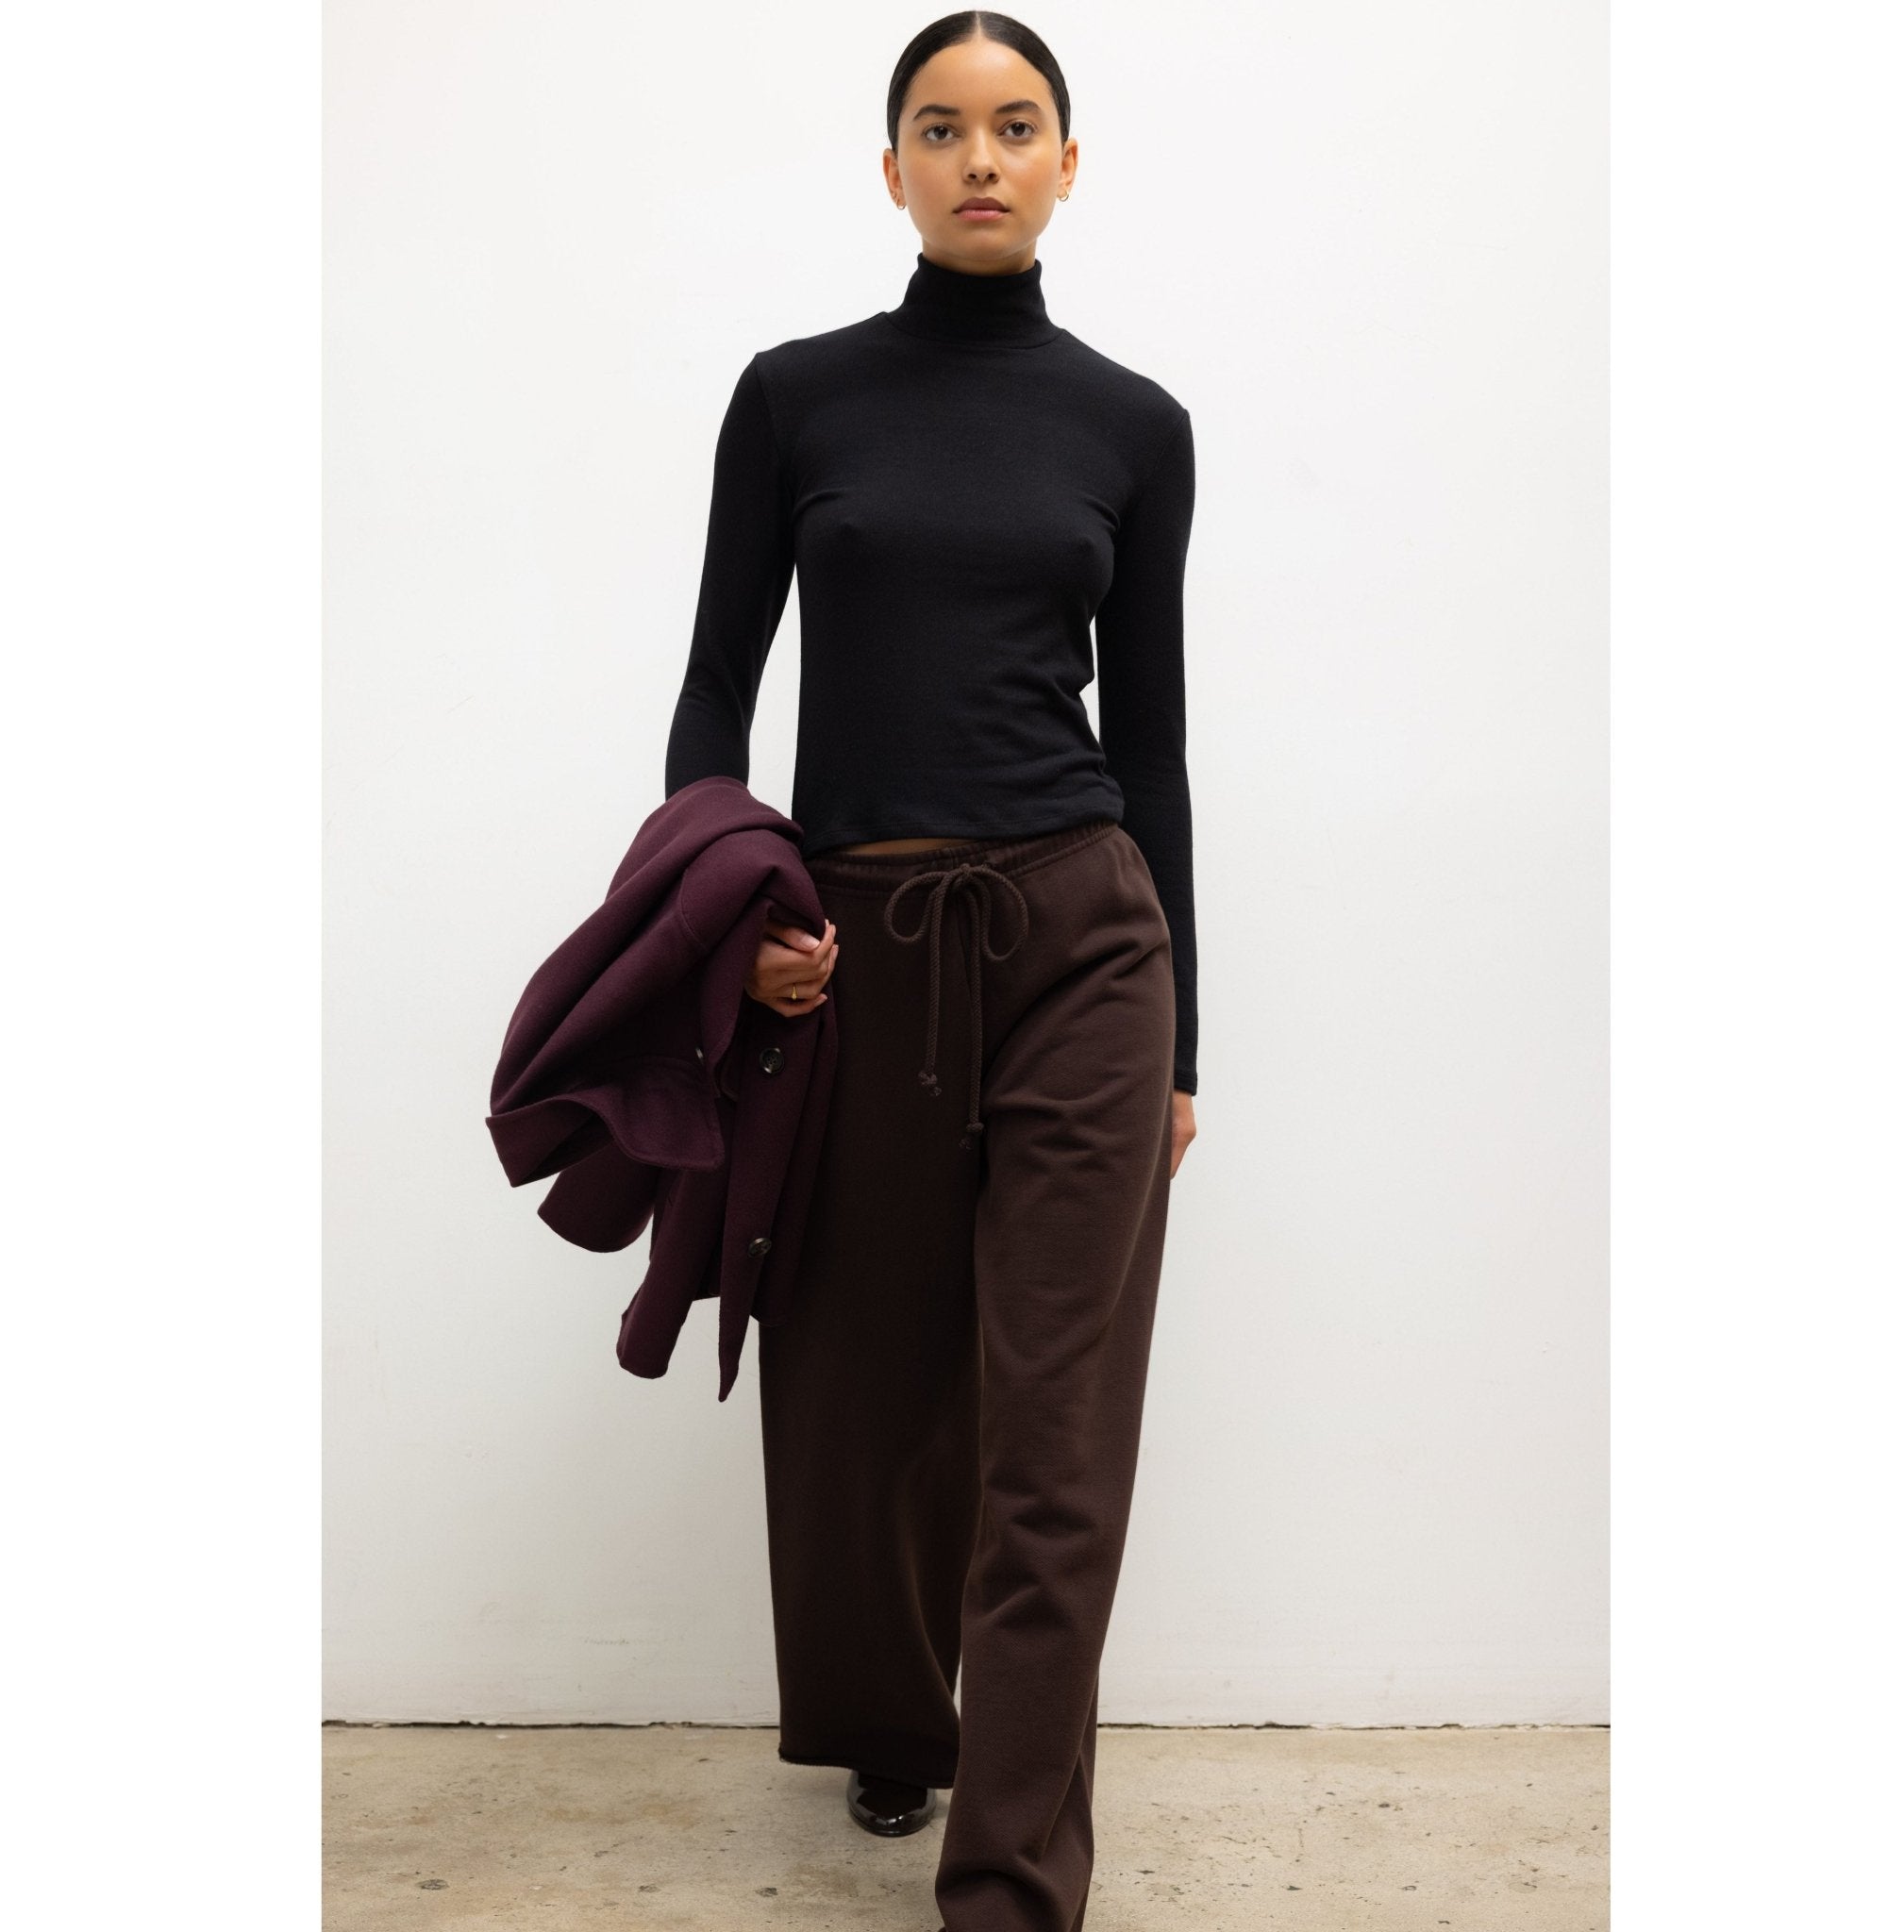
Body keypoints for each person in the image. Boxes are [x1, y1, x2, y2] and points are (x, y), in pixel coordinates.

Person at [662, 14, 1199, 1930]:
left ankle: (1012, 1891)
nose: (982, 157)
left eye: (1017, 125)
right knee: (868, 1388)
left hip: (1084, 940)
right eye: (943, 128)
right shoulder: (795, 399)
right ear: (890, 167)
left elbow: (1152, 748)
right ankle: (894, 1718)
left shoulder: (1134, 426)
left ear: (1067, 163)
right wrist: (739, 929)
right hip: (856, 952)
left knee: (1055, 1431)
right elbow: (714, 703)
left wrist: (1185, 1047)